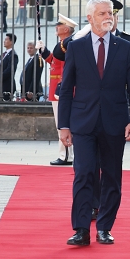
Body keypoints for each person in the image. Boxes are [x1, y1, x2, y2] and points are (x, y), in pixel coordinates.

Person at [59, 0, 130, 246]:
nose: (109, 17)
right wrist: (63, 125)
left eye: (111, 13)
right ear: (90, 18)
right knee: (83, 174)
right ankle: (82, 229)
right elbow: (66, 89)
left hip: (115, 123)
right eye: (103, 13)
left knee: (111, 176)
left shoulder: (125, 47)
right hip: (83, 123)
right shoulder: (76, 47)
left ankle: (104, 227)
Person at [36, 14, 77, 166]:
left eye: (59, 25)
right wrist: (43, 50)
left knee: (63, 123)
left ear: (66, 29)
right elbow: (54, 62)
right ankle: (67, 154)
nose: (56, 27)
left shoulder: (67, 44)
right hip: (56, 88)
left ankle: (65, 155)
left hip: (61, 89)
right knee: (61, 123)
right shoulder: (62, 44)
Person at [0, 33, 19, 101]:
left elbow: (10, 70)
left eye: (6, 40)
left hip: (7, 86)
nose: (4, 41)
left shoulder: (13, 55)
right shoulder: (3, 54)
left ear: (11, 42)